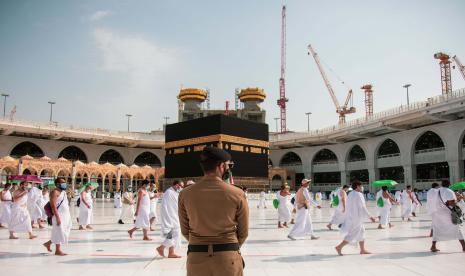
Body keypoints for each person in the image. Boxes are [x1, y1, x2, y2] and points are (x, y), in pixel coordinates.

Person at [178, 146, 249, 276]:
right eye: (228, 166)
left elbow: (185, 231)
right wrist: (228, 248)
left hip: (197, 258)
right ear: (221, 166)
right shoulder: (237, 193)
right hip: (228, 259)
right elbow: (243, 233)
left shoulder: (185, 194)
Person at [335, 180, 376, 256]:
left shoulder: (350, 194)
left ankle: (362, 250)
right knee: (352, 234)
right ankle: (339, 247)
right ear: (357, 186)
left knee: (361, 233)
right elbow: (363, 207)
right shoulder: (359, 194)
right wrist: (370, 217)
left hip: (352, 218)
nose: (361, 187)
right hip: (357, 219)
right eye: (360, 186)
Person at [430, 180, 465, 252]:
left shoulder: (437, 191)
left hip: (437, 213)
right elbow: (451, 203)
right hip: (446, 213)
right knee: (456, 229)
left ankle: (433, 246)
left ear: (441, 184)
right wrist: (458, 199)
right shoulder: (449, 191)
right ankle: (464, 247)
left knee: (437, 229)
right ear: (449, 184)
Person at [43, 178, 72, 256]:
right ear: (57, 184)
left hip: (66, 215)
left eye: (65, 182)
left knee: (64, 231)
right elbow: (53, 206)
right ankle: (58, 250)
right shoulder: (54, 192)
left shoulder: (63, 192)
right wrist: (57, 217)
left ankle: (48, 243)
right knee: (59, 232)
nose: (64, 184)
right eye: (62, 182)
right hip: (59, 215)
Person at [156, 180, 184, 258]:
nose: (181, 188)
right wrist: (167, 219)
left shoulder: (174, 193)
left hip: (175, 216)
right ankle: (161, 248)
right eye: (180, 186)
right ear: (176, 185)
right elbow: (165, 207)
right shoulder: (169, 193)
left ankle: (171, 253)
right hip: (170, 217)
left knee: (173, 235)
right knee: (174, 234)